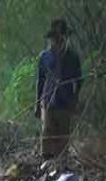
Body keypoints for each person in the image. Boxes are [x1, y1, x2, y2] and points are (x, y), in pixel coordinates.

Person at [35, 18, 82, 162]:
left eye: (60, 37)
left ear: (64, 38)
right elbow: (40, 81)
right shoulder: (44, 56)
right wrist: (37, 104)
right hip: (48, 101)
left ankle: (60, 165)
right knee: (47, 133)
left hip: (65, 102)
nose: (57, 41)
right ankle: (47, 165)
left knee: (62, 137)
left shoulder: (72, 57)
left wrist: (74, 98)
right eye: (54, 38)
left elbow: (79, 80)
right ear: (51, 39)